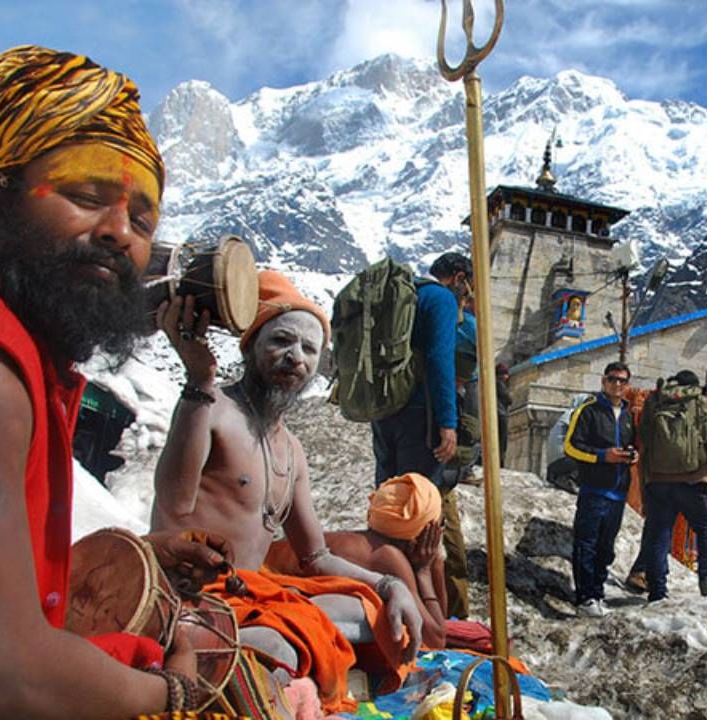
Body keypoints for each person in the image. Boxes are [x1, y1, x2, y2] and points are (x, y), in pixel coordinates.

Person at [0, 45, 230, 716]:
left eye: (141, 218)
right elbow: (2, 670)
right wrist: (172, 694)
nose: (118, 234)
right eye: (85, 196)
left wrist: (131, 555)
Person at [153, 270, 422, 710]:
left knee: (368, 612)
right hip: (192, 596)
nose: (295, 357)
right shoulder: (210, 407)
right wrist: (198, 383)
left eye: (309, 349)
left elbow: (314, 557)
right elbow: (173, 503)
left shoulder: (291, 450)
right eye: (281, 341)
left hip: (254, 593)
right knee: (276, 644)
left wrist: (392, 585)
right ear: (253, 344)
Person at [369, 251, 473, 619]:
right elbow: (439, 358)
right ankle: (430, 611)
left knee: (391, 505)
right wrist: (448, 422)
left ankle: (387, 593)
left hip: (384, 413)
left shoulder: (401, 296)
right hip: (420, 417)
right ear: (459, 277)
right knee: (423, 511)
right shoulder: (440, 298)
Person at [324, 473, 447, 649]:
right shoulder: (387, 557)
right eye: (440, 526)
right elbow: (436, 640)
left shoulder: (366, 542)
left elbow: (442, 624)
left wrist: (435, 564)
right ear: (423, 536)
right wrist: (424, 572)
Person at [639, 370, 707, 602]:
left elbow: (644, 439)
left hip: (658, 480)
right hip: (692, 480)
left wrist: (646, 480)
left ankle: (657, 590)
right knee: (705, 530)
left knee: (659, 535)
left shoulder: (656, 401)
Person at [563, 361, 637, 617]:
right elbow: (571, 446)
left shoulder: (628, 416)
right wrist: (602, 456)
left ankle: (597, 592)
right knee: (587, 544)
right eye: (612, 379)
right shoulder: (588, 411)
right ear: (603, 382)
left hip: (618, 492)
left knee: (606, 546)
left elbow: (631, 444)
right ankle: (585, 598)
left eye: (622, 381)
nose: (617, 384)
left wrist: (632, 456)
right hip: (594, 489)